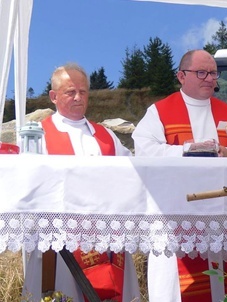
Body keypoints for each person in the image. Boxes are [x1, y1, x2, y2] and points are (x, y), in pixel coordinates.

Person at [132, 49, 227, 302]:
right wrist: (187, 150)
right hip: (176, 216)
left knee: (223, 286)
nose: (210, 78)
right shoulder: (159, 112)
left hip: (222, 216)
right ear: (181, 76)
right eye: (201, 72)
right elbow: (144, 150)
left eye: (213, 73)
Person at [23, 63, 140, 302]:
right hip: (61, 238)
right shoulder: (39, 135)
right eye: (70, 92)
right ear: (54, 97)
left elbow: (131, 174)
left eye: (83, 91)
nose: (78, 97)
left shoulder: (106, 136)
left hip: (107, 234)